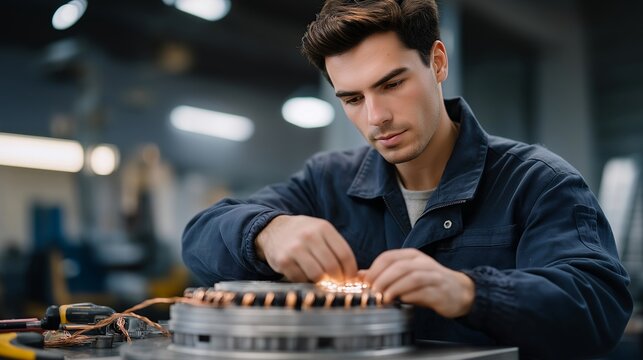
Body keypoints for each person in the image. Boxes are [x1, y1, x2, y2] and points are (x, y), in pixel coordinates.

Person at [182, 0, 632, 358]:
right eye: (353, 98)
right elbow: (201, 236)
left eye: (392, 84)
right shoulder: (327, 182)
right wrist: (265, 232)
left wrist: (471, 292)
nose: (376, 117)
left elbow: (598, 307)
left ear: (437, 63)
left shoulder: (537, 183)